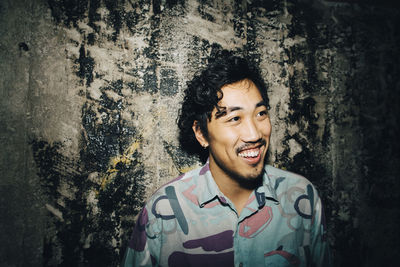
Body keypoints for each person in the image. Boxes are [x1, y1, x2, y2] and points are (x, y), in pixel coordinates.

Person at [122, 52, 331, 267]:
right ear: (201, 133)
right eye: (234, 118)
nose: (254, 134)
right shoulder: (165, 210)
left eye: (260, 113)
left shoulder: (301, 198)